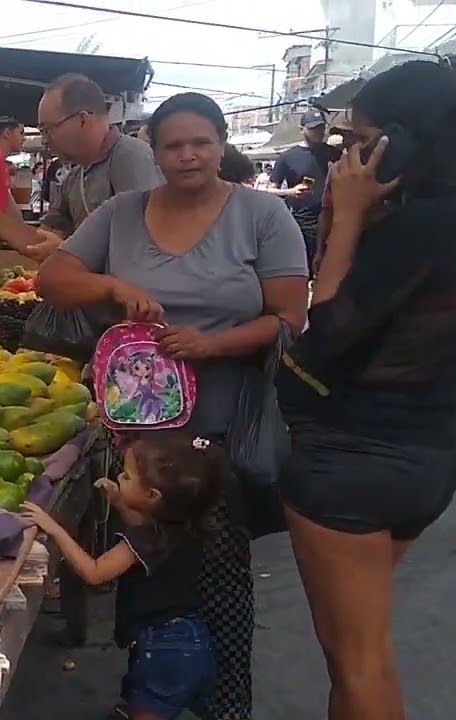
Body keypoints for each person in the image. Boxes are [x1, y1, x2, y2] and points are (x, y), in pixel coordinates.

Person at [26, 93, 310, 720]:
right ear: (153, 153)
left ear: (220, 143)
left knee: (218, 572)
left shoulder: (262, 214)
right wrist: (111, 284)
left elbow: (290, 317)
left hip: (221, 426)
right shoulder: (122, 214)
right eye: (173, 145)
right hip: (143, 436)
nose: (187, 155)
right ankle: (153, 695)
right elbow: (53, 280)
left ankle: (222, 706)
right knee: (148, 574)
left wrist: (212, 344)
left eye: (200, 142)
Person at [276, 61, 456, 720]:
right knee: (360, 657)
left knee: (359, 663)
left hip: (352, 459)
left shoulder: (419, 229)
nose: (347, 156)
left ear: (402, 142)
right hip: (430, 458)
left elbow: (322, 335)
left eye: (363, 139)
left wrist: (348, 217)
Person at [24, 431, 226, 720]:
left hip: (163, 650)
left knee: (151, 702)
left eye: (128, 478)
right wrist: (120, 501)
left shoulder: (142, 541)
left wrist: (56, 530)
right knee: (156, 701)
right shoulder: (184, 523)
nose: (120, 477)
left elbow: (94, 573)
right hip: (190, 638)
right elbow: (144, 522)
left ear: (152, 496)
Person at [34, 73, 163, 258]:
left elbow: (145, 247)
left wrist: (69, 255)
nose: (45, 140)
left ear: (82, 120)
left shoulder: (131, 158)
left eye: (48, 129)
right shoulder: (75, 175)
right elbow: (46, 234)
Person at [267, 109, 342, 273]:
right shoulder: (288, 157)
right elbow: (270, 190)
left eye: (321, 127)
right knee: (301, 272)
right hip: (302, 224)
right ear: (302, 130)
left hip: (333, 221)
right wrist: (291, 192)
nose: (319, 132)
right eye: (313, 128)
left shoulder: (334, 153)